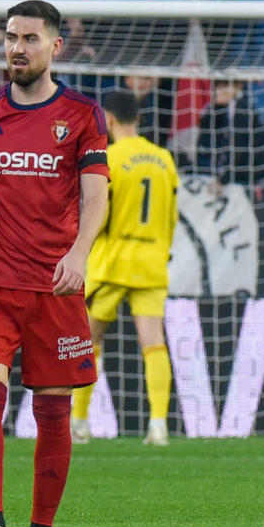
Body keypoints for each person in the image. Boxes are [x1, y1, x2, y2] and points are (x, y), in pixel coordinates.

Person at [0, 0, 109, 527]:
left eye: (30, 38)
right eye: (11, 37)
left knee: (53, 412)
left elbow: (96, 195)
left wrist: (81, 254)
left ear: (55, 46)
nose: (17, 47)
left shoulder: (85, 115)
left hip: (56, 287)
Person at [76, 89, 178, 447]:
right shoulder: (165, 159)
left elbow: (98, 215)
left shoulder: (110, 158)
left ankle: (79, 421)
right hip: (151, 263)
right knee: (153, 344)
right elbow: (170, 218)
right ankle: (159, 424)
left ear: (109, 120)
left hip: (114, 263)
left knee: (87, 340)